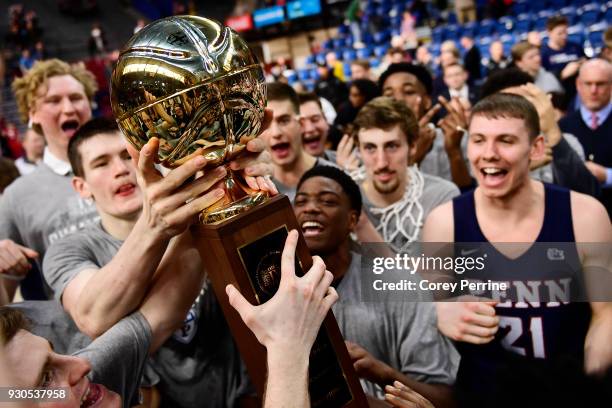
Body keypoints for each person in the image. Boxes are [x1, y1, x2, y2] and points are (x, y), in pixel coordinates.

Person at [42, 118, 274, 407]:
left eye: (128, 156)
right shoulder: (69, 250)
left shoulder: (205, 209)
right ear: (81, 186)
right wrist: (157, 226)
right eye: (101, 163)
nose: (121, 169)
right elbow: (93, 316)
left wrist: (243, 173)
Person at [423, 93, 612, 404]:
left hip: (567, 388)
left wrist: (587, 387)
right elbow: (429, 302)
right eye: (479, 140)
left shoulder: (585, 215)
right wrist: (438, 310)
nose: (489, 153)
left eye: (506, 141)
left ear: (536, 148)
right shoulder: (445, 222)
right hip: (481, 394)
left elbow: (605, 314)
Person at [293, 165, 459, 406]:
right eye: (301, 201)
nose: (310, 208)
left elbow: (444, 398)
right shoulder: (279, 291)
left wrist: (384, 375)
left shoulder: (400, 285)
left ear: (352, 220)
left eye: (327, 201)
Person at [1, 59, 100, 301]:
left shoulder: (133, 165)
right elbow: (4, 299)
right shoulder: (16, 198)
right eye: (53, 101)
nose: (68, 109)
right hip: (76, 335)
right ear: (32, 115)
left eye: (76, 98)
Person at [351, 97, 459, 253]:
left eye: (392, 146)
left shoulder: (441, 197)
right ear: (358, 149)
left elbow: (436, 276)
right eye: (370, 148)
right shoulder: (343, 197)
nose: (382, 163)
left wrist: (363, 226)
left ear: (413, 146)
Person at [480, 68, 600, 198]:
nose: (516, 111)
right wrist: (521, 168)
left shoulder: (564, 142)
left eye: (523, 102)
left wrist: (552, 130)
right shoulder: (479, 147)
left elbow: (587, 194)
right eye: (506, 105)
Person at [377, 62, 473, 189]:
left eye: (408, 91)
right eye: (389, 94)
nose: (398, 99)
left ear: (427, 101)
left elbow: (466, 195)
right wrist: (413, 159)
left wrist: (454, 152)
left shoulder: (455, 138)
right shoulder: (369, 145)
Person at [260, 82, 336, 201]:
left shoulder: (335, 178)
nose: (276, 133)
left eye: (284, 121)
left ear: (300, 123)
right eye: (266, 124)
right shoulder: (256, 189)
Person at [559, 59, 612, 218]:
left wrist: (606, 175)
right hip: (576, 218)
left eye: (600, 84)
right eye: (587, 84)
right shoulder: (561, 127)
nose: (593, 90)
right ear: (578, 85)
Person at [298, 92, 335, 161]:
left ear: (326, 121)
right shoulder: (274, 171)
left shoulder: (345, 163)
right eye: (300, 123)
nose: (310, 129)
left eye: (315, 119)